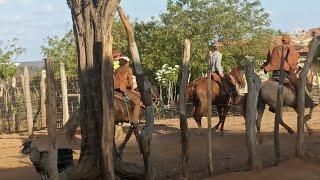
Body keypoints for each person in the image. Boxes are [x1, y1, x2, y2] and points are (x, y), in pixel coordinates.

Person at [114, 56, 142, 126]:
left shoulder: (116, 70)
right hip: (123, 89)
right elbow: (130, 81)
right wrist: (132, 89)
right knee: (137, 101)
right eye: (128, 62)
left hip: (115, 90)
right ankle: (135, 121)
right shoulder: (128, 69)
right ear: (126, 63)